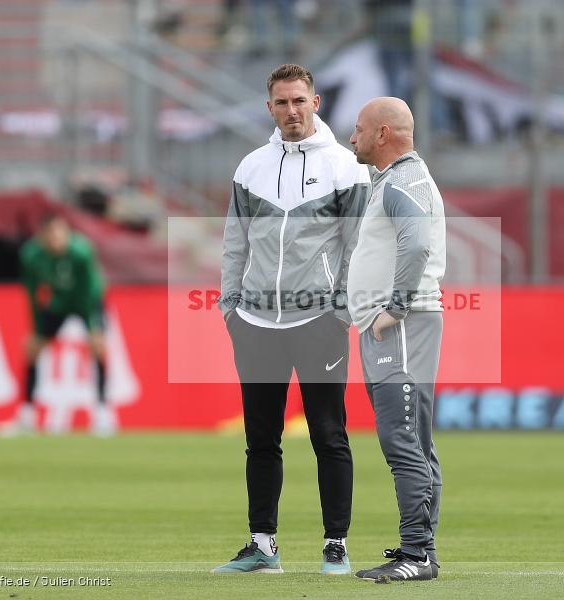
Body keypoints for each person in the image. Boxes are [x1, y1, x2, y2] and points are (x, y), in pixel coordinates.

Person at [211, 64, 370, 575]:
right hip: (255, 324)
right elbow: (235, 242)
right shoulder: (251, 167)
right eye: (282, 103)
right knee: (261, 438)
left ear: (316, 102)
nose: (291, 111)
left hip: (318, 321)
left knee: (328, 433)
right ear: (270, 108)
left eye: (299, 101)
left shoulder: (347, 168)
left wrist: (340, 310)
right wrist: (230, 307)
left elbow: (359, 248)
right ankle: (263, 546)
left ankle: (336, 546)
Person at [347, 97, 446, 581]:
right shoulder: (394, 178)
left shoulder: (403, 179)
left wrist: (396, 306)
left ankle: (418, 553)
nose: (352, 137)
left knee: (401, 436)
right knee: (414, 439)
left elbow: (418, 241)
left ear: (383, 134)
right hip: (391, 326)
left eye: (360, 128)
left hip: (403, 326)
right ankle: (420, 549)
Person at [16, 213, 114, 436]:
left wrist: (93, 326)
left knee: (97, 347)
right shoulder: (31, 256)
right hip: (58, 302)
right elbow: (32, 293)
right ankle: (27, 415)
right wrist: (36, 327)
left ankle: (102, 414)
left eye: (61, 233)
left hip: (86, 301)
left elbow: (89, 290)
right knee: (32, 348)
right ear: (42, 236)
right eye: (51, 234)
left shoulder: (81, 253)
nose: (56, 239)